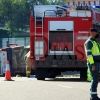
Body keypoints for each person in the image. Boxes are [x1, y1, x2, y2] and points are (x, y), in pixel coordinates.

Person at [84, 28, 100, 100]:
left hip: (97, 62)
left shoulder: (95, 42)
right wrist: (92, 64)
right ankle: (93, 96)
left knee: (96, 79)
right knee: (95, 79)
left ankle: (94, 95)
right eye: (97, 33)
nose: (98, 34)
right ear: (92, 33)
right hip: (94, 63)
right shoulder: (89, 42)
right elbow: (89, 54)